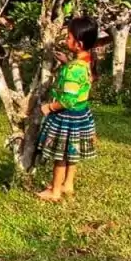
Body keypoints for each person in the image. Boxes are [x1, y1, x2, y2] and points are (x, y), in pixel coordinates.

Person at [35, 16, 100, 202]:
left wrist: (49, 107)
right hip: (82, 114)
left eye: (69, 37)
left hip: (68, 116)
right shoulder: (87, 61)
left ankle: (55, 192)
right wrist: (66, 62)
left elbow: (68, 100)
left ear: (78, 43)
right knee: (72, 153)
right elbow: (79, 84)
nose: (66, 40)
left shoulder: (74, 70)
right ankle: (68, 184)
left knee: (61, 156)